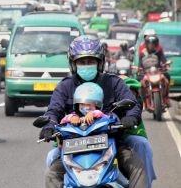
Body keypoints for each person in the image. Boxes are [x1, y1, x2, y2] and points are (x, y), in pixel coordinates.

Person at [40, 36, 148, 188]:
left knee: (138, 164)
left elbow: (132, 103)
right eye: (82, 62)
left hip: (111, 142)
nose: (86, 65)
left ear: (100, 62)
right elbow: (53, 110)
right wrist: (48, 127)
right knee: (51, 172)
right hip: (73, 144)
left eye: (91, 61)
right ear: (73, 64)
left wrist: (130, 117)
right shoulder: (65, 86)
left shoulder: (114, 82)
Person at [119, 76, 157, 188]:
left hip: (126, 134)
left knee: (141, 144)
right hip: (101, 135)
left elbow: (135, 110)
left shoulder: (134, 106)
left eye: (132, 93)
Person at [138, 33, 170, 107]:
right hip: (146, 72)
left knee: (167, 79)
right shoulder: (142, 53)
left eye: (153, 44)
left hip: (157, 72)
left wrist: (166, 65)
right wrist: (139, 70)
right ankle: (142, 101)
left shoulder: (159, 52)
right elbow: (140, 64)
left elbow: (164, 60)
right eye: (149, 44)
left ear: (156, 44)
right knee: (140, 83)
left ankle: (166, 98)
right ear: (146, 44)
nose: (151, 45)